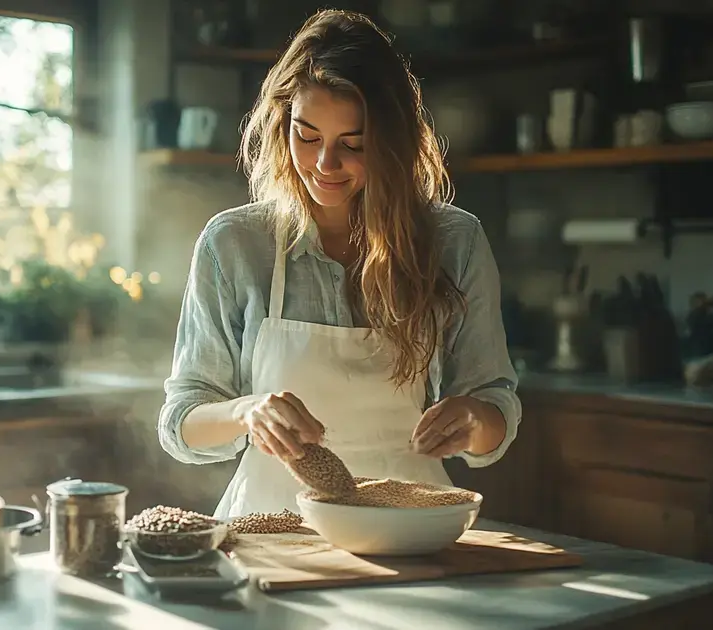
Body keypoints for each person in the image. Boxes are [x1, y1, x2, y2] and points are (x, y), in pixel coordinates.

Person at [157, 9, 521, 519]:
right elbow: (181, 421)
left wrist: (475, 419)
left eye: (354, 145)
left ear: (395, 144)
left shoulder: (454, 241)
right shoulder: (236, 244)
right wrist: (246, 412)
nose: (325, 165)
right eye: (307, 137)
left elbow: (494, 405)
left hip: (409, 526)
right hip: (270, 525)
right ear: (282, 123)